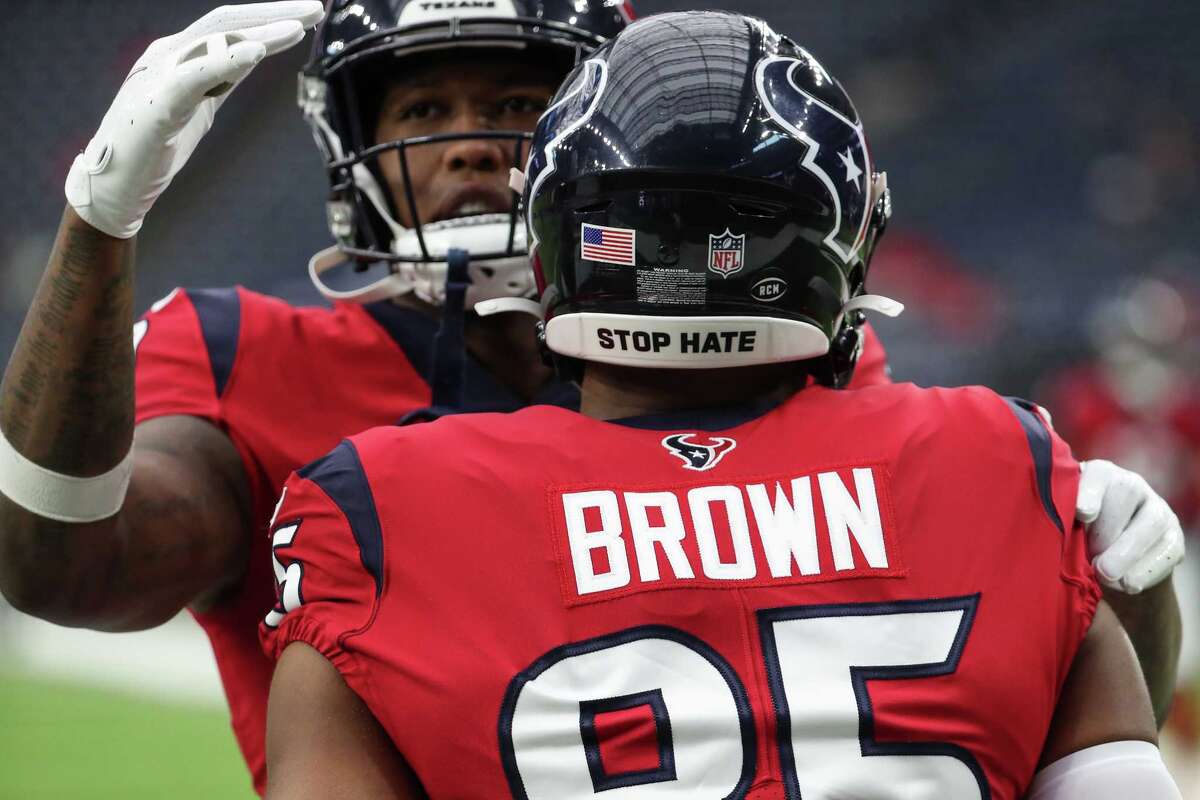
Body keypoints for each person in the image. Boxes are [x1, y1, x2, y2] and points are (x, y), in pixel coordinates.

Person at [0, 0, 1181, 792]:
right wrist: (100, 224)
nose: (472, 146)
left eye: (516, 108)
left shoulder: (367, 497)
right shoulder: (254, 356)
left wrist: (1120, 584)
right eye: (422, 112)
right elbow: (63, 563)